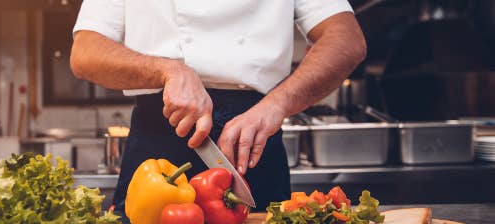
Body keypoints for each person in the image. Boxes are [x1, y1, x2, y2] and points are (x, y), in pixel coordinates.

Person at [70, 1, 366, 211]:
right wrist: (169, 70)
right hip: (160, 139)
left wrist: (275, 106)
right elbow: (85, 52)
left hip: (252, 139)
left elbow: (346, 40)